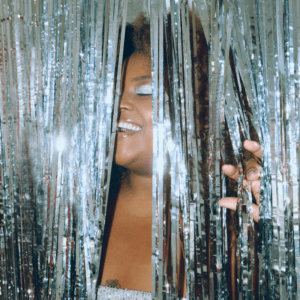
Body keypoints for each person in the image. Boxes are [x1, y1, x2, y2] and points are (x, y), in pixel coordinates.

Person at [97, 13, 262, 298]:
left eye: (145, 91)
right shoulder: (78, 208)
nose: (120, 104)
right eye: (115, 92)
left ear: (195, 107)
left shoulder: (228, 224)